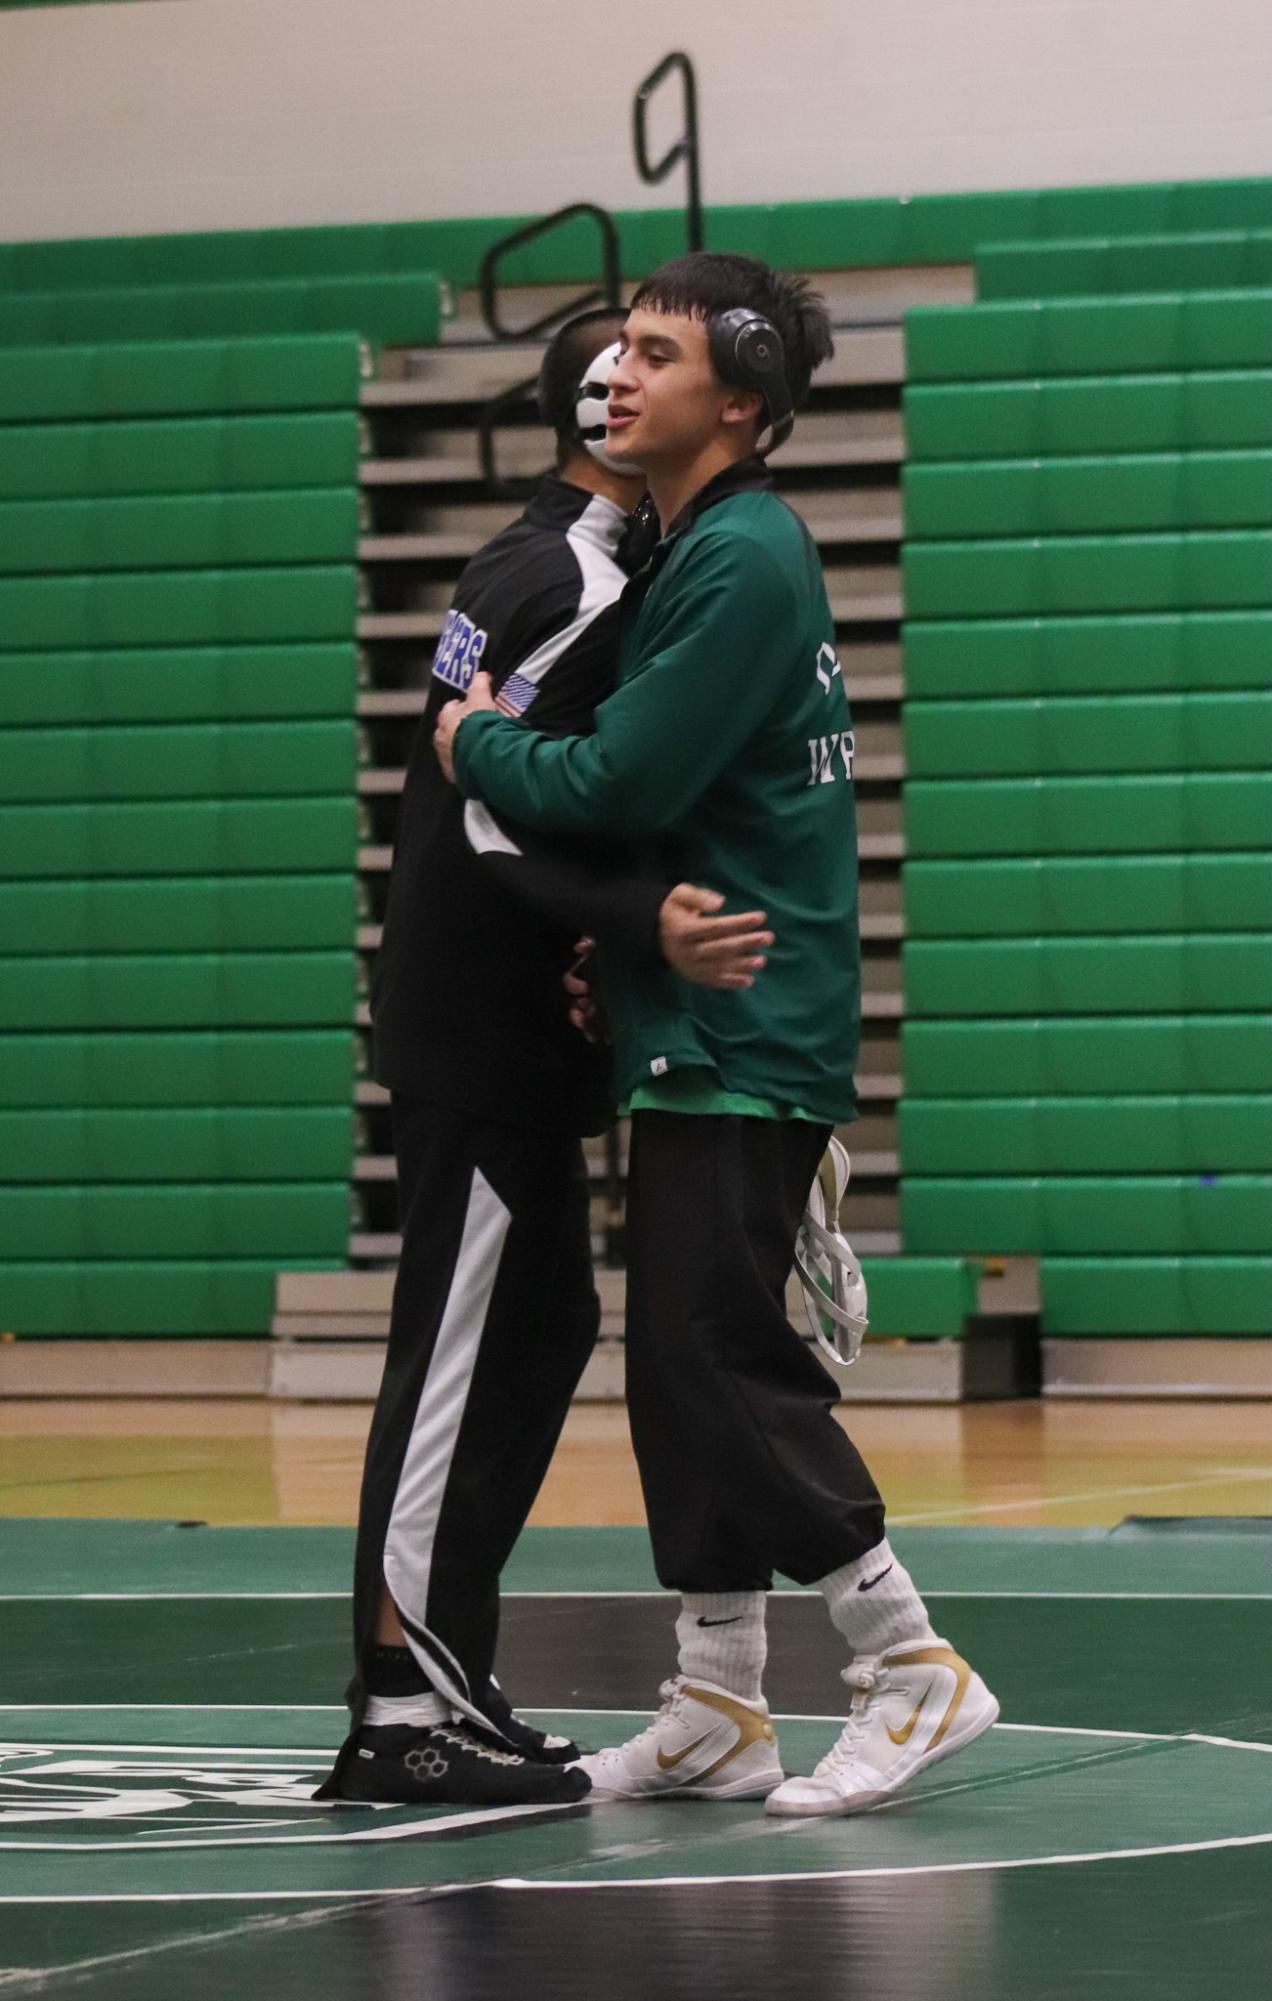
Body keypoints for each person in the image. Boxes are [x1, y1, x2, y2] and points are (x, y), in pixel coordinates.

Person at [435, 253, 999, 1818]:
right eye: (615, 344)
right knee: (673, 1367)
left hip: (750, 1022)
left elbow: (618, 781)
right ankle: (717, 1694)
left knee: (712, 1348)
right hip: (690, 1014)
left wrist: (475, 737)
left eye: (660, 351)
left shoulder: (743, 554)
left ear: (739, 401)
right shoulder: (700, 545)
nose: (618, 373)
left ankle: (907, 1661)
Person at [318, 307, 772, 1812]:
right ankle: (396, 1703)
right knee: (455, 1357)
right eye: (623, 360)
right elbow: (481, 800)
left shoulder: (591, 560)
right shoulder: (560, 572)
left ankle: (447, 1666)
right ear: (588, 404)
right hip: (480, 1026)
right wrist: (638, 919)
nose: (641, 375)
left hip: (519, 1016)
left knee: (537, 1326)